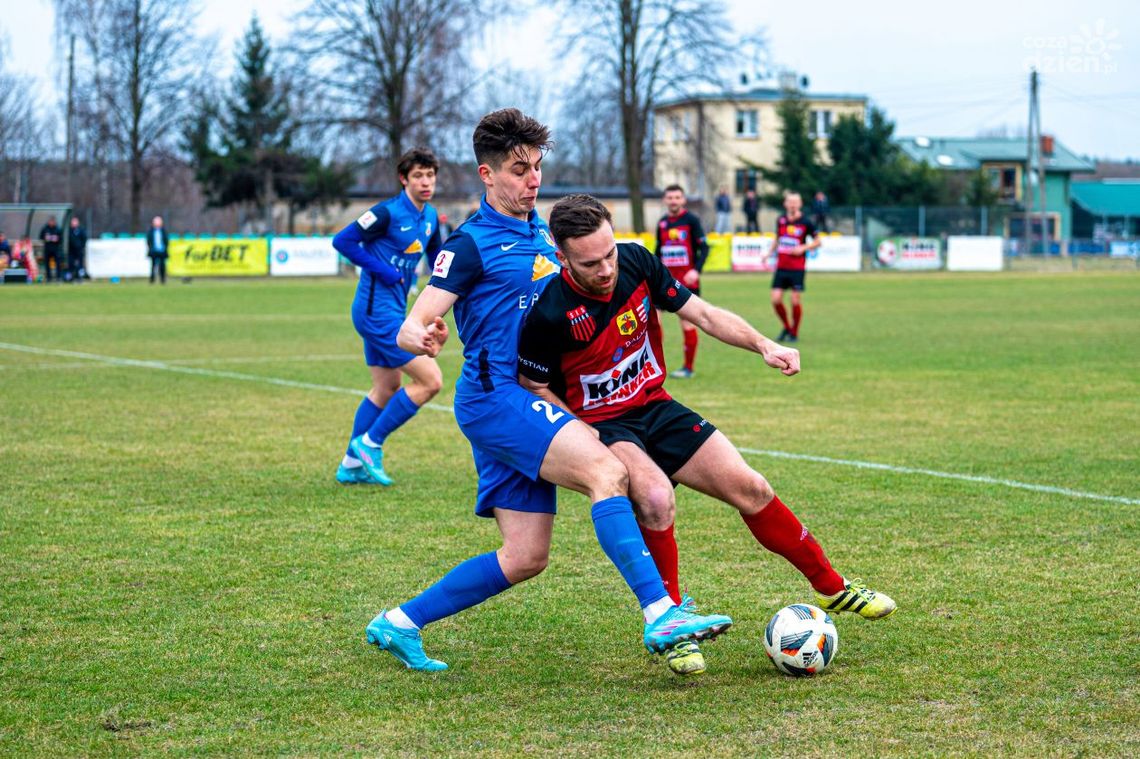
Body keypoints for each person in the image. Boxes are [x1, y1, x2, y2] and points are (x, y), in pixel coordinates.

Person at [366, 108, 732, 673]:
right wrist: (423, 333)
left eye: (537, 166)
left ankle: (398, 623)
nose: (532, 179)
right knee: (607, 472)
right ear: (487, 175)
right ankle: (662, 610)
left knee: (525, 557)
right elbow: (412, 322)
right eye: (518, 170)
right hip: (499, 398)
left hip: (520, 401)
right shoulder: (469, 245)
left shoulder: (547, 231)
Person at [517, 194, 897, 676]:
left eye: (610, 253)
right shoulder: (550, 313)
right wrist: (582, 434)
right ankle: (672, 623)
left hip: (656, 406)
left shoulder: (636, 261)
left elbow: (704, 314)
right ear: (561, 252)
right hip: (606, 425)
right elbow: (534, 385)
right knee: (656, 499)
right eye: (591, 262)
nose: (607, 269)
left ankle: (832, 585)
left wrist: (764, 344)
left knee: (752, 487)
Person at [330, 147, 445, 486]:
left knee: (387, 386)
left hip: (395, 310)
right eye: (419, 176)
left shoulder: (429, 216)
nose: (426, 182)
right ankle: (369, 444)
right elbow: (344, 241)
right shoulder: (386, 213)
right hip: (375, 313)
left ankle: (350, 464)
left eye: (430, 175)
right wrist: (385, 271)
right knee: (430, 381)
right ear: (404, 179)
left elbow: (438, 256)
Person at [653, 184, 707, 379]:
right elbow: (658, 251)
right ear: (665, 200)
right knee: (653, 323)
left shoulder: (691, 220)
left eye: (677, 197)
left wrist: (696, 270)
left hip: (686, 283)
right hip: (663, 282)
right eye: (670, 197)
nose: (673, 201)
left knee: (687, 325)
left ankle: (688, 368)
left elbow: (705, 248)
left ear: (683, 200)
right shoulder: (662, 223)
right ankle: (653, 366)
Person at [768, 193, 820, 343]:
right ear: (785, 204)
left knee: (795, 301)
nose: (792, 205)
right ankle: (787, 327)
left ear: (800, 204)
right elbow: (778, 238)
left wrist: (803, 247)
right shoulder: (781, 220)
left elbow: (818, 241)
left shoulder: (806, 222)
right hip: (781, 267)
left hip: (797, 268)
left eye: (795, 202)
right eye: (790, 202)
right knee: (776, 300)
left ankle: (794, 333)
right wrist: (768, 253)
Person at [39, 217, 63, 282]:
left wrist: (56, 239)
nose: (51, 223)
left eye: (53, 222)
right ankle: (48, 278)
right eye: (50, 221)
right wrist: (46, 238)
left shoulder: (58, 229)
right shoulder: (45, 228)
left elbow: (61, 239)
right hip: (47, 249)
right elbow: (41, 237)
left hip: (56, 249)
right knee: (47, 264)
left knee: (58, 264)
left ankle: (58, 277)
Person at [146, 216, 170, 284]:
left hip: (162, 251)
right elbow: (148, 240)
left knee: (162, 266)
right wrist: (151, 248)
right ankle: (152, 280)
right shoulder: (151, 231)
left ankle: (162, 280)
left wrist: (165, 247)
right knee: (153, 266)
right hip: (154, 251)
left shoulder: (163, 231)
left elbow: (166, 240)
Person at [68, 217, 88, 282]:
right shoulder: (69, 230)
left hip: (79, 250)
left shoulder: (81, 230)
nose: (73, 223)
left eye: (75, 222)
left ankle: (80, 277)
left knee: (80, 265)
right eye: (73, 222)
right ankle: (71, 277)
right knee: (71, 264)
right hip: (71, 251)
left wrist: (81, 246)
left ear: (77, 223)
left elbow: (84, 239)